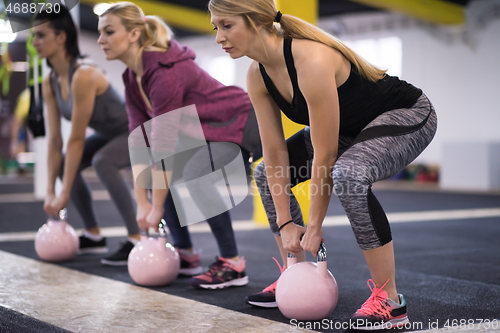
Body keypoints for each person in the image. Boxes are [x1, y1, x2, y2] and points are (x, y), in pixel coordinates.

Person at [209, 0, 437, 328]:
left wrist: (314, 226)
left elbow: (325, 155)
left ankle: (390, 301)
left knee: (349, 175)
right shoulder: (256, 74)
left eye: (227, 25)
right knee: (263, 172)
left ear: (257, 21)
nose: (219, 37)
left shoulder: (311, 59)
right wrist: (287, 223)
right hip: (348, 130)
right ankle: (294, 275)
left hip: (406, 115)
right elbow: (273, 153)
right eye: (216, 27)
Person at [97, 2, 261, 289]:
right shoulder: (131, 77)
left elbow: (163, 145)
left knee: (193, 172)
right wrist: (142, 202)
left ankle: (233, 263)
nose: (101, 40)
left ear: (134, 35)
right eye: (99, 33)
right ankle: (186, 255)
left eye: (109, 32)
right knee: (162, 176)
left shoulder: (164, 72)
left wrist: (156, 206)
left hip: (239, 123)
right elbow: (139, 139)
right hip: (205, 133)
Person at [33, 6, 141, 266]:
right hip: (109, 134)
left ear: (61, 37)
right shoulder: (50, 82)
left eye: (41, 35)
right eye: (33, 36)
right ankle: (93, 235)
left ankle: (136, 237)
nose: (34, 42)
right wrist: (51, 191)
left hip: (134, 131)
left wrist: (64, 194)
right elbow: (56, 139)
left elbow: (77, 139)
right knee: (61, 161)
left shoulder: (84, 75)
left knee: (102, 161)